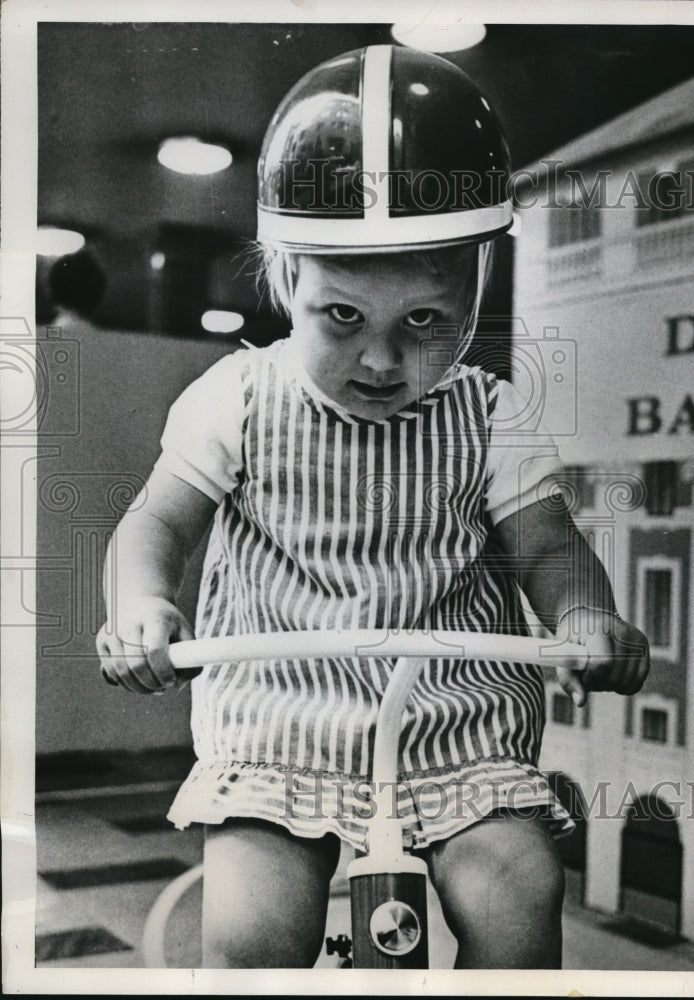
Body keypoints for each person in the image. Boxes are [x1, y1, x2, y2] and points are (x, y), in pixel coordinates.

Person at [97, 45, 649, 969]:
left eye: (425, 323)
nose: (383, 363)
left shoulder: (491, 416)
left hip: (457, 720)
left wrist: (584, 611)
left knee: (519, 895)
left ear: (476, 292)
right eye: (342, 318)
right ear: (286, 284)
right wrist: (142, 603)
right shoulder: (234, 399)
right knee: (253, 927)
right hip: (279, 721)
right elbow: (155, 524)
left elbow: (547, 546)